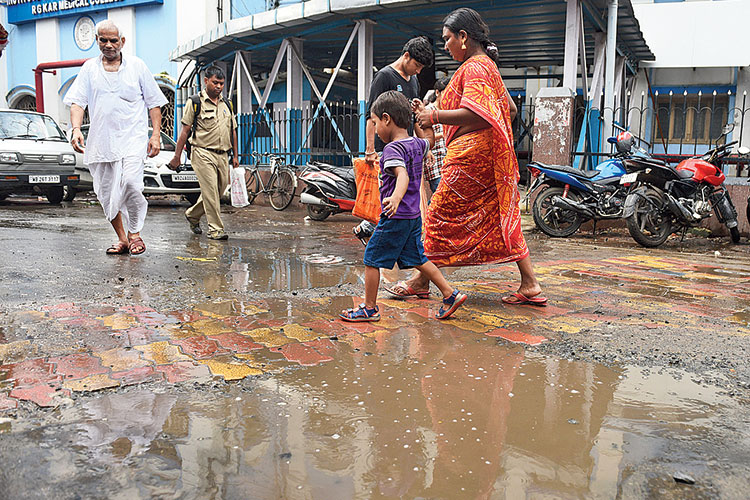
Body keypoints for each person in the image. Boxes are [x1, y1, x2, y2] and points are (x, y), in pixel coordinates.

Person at [392, 7, 546, 306]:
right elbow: (509, 111)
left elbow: (479, 113)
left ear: (463, 37)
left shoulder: (475, 67)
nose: (445, 46)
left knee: (438, 215)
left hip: (469, 160)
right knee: (501, 215)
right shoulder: (488, 66)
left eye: (447, 39)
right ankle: (530, 283)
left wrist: (435, 116)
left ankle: (421, 281)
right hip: (487, 158)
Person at [340, 91, 467, 322]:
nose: (375, 129)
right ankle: (450, 294)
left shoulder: (393, 149)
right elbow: (430, 139)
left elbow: (403, 175)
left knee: (371, 258)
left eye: (375, 123)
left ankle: (369, 308)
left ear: (386, 119)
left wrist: (395, 198)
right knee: (418, 258)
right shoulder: (417, 144)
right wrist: (422, 118)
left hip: (396, 216)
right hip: (413, 216)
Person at [65, 20, 167, 256]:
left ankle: (135, 234)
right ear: (97, 40)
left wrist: (155, 135)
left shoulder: (137, 66)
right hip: (102, 142)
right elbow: (77, 102)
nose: (108, 45)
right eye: (103, 40)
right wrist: (76, 129)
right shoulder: (89, 69)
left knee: (131, 183)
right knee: (106, 193)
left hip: (132, 140)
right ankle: (122, 239)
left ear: (122, 41)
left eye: (113, 40)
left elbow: (154, 104)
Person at [352, 36, 434, 245]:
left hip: (407, 148)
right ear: (406, 56)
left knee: (403, 197)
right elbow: (372, 115)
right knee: (388, 194)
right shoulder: (384, 77)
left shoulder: (413, 81)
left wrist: (426, 148)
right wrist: (370, 149)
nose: (418, 71)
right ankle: (373, 232)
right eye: (417, 65)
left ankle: (376, 232)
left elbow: (413, 116)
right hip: (386, 149)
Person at [168, 66, 239, 240]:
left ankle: (192, 214)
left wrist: (236, 156)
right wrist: (177, 156)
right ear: (206, 81)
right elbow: (185, 131)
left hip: (223, 154)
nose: (219, 86)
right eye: (215, 82)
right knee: (210, 191)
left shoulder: (227, 103)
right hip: (202, 153)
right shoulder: (195, 102)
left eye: (221, 83)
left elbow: (233, 130)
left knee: (219, 191)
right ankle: (215, 229)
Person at [423, 76, 450, 196]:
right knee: (441, 195)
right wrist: (444, 134)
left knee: (442, 196)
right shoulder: (428, 110)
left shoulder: (449, 111)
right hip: (434, 161)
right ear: (437, 92)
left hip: (447, 161)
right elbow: (421, 136)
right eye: (446, 92)